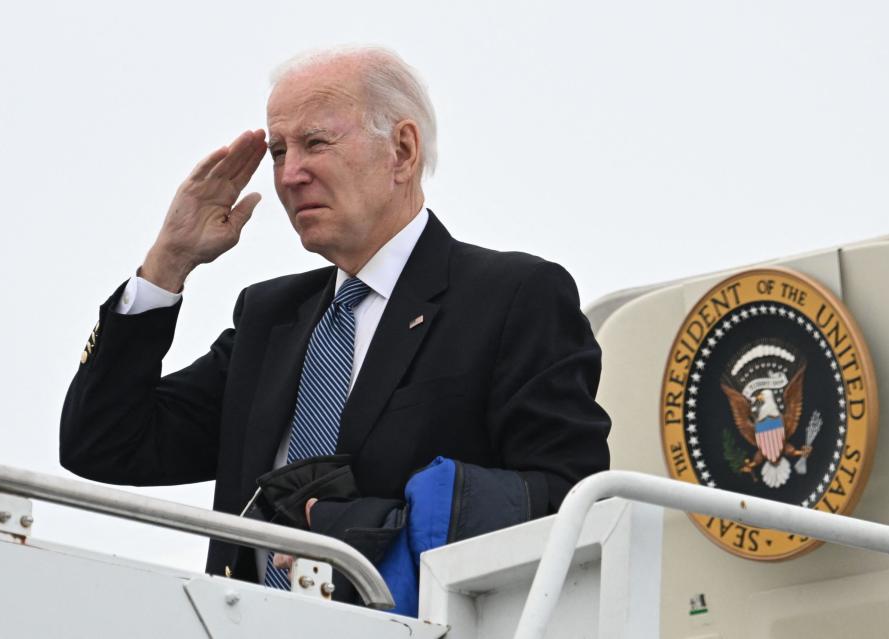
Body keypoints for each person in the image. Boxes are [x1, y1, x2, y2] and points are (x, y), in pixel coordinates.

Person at [59, 46, 611, 597]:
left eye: (316, 143)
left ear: (401, 150)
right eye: (278, 151)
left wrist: (362, 533)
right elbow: (104, 443)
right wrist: (167, 264)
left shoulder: (511, 295)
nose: (290, 174)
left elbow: (570, 498)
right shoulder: (269, 319)